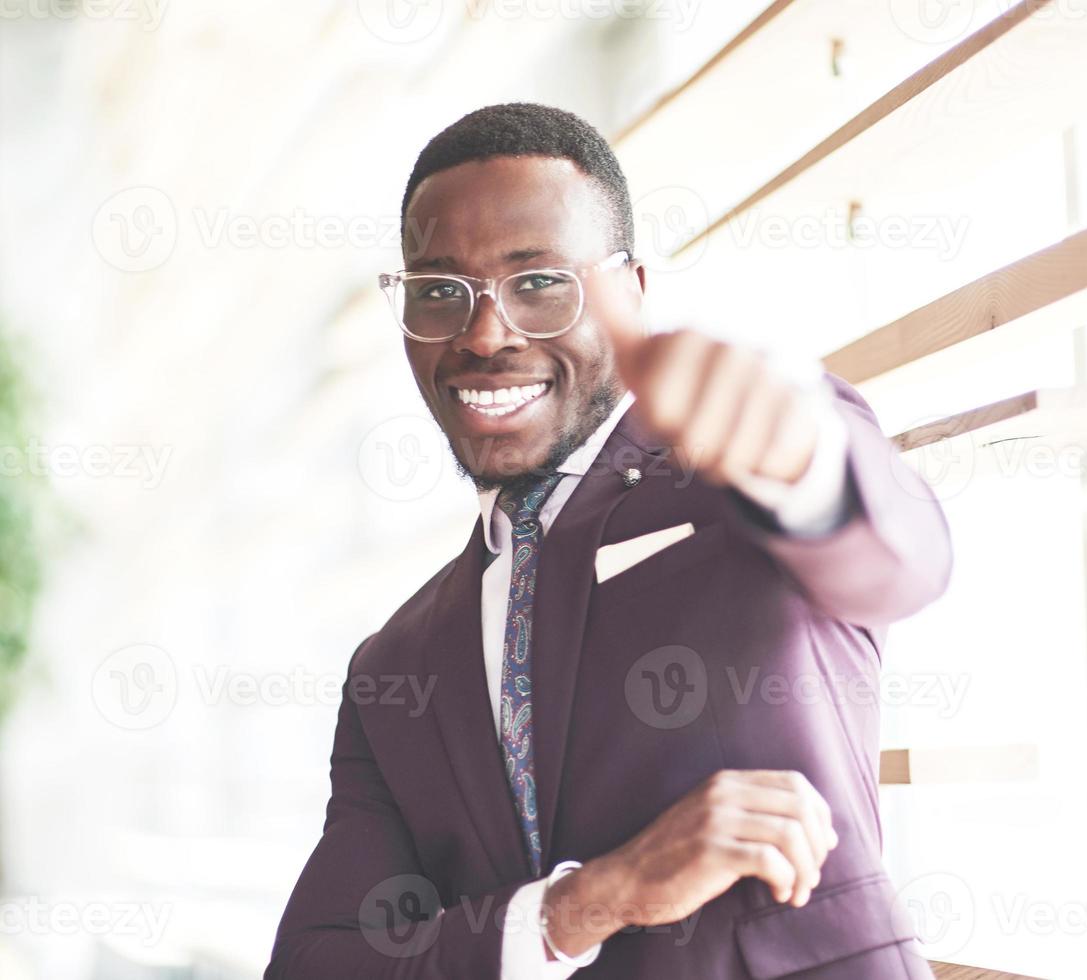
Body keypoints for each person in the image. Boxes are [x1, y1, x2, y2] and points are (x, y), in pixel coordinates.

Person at [265, 103, 952, 979]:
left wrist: (799, 454)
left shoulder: (743, 471)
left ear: (630, 292)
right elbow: (321, 965)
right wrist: (586, 903)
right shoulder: (392, 667)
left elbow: (904, 559)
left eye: (540, 281)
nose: (484, 334)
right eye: (440, 291)